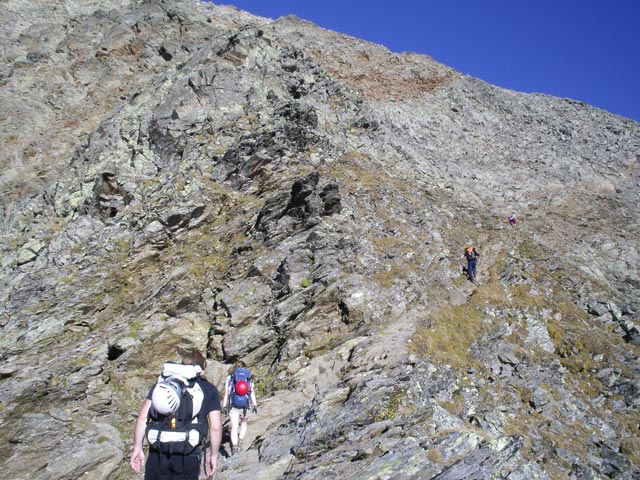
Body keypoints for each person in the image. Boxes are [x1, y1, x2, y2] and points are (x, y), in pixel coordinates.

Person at [130, 350, 222, 479]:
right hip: (188, 454)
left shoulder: (162, 385)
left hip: (157, 451)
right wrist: (213, 455)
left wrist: (137, 448)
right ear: (202, 370)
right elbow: (216, 426)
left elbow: (143, 417)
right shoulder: (208, 389)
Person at [222, 361, 258, 455]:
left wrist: (224, 406)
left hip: (233, 404)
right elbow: (252, 392)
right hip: (246, 405)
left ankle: (234, 447)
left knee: (234, 426)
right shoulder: (248, 378)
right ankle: (240, 440)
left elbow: (227, 393)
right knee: (244, 423)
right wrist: (254, 404)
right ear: (245, 368)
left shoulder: (230, 378)